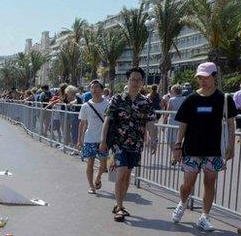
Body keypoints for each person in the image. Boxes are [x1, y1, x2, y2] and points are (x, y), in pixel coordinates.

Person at [170, 62, 237, 231]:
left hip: (213, 150)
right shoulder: (191, 99)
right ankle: (182, 203)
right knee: (188, 184)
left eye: (206, 77)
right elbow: (183, 124)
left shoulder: (224, 99)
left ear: (214, 76)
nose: (203, 81)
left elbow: (230, 124)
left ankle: (205, 216)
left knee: (210, 182)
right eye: (200, 77)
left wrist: (231, 145)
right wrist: (178, 146)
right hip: (192, 148)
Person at [100, 67, 158, 221]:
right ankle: (120, 208)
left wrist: (154, 140)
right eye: (132, 79)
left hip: (136, 144)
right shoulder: (117, 99)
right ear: (128, 80)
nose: (135, 82)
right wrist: (103, 141)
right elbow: (107, 121)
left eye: (138, 79)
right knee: (121, 173)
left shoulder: (146, 102)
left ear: (142, 82)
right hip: (119, 143)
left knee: (126, 176)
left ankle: (119, 202)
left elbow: (151, 123)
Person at [77, 80, 110, 194]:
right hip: (90, 138)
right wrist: (79, 140)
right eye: (92, 88)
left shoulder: (107, 104)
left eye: (96, 87)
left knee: (103, 164)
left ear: (102, 89)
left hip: (103, 139)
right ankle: (91, 186)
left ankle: (98, 177)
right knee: (90, 162)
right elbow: (82, 123)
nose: (94, 90)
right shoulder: (86, 106)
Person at [163, 84, 186, 149]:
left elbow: (167, 113)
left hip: (172, 122)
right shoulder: (185, 99)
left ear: (173, 91)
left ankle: (174, 155)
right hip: (182, 123)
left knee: (171, 140)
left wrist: (164, 123)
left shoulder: (171, 100)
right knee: (181, 140)